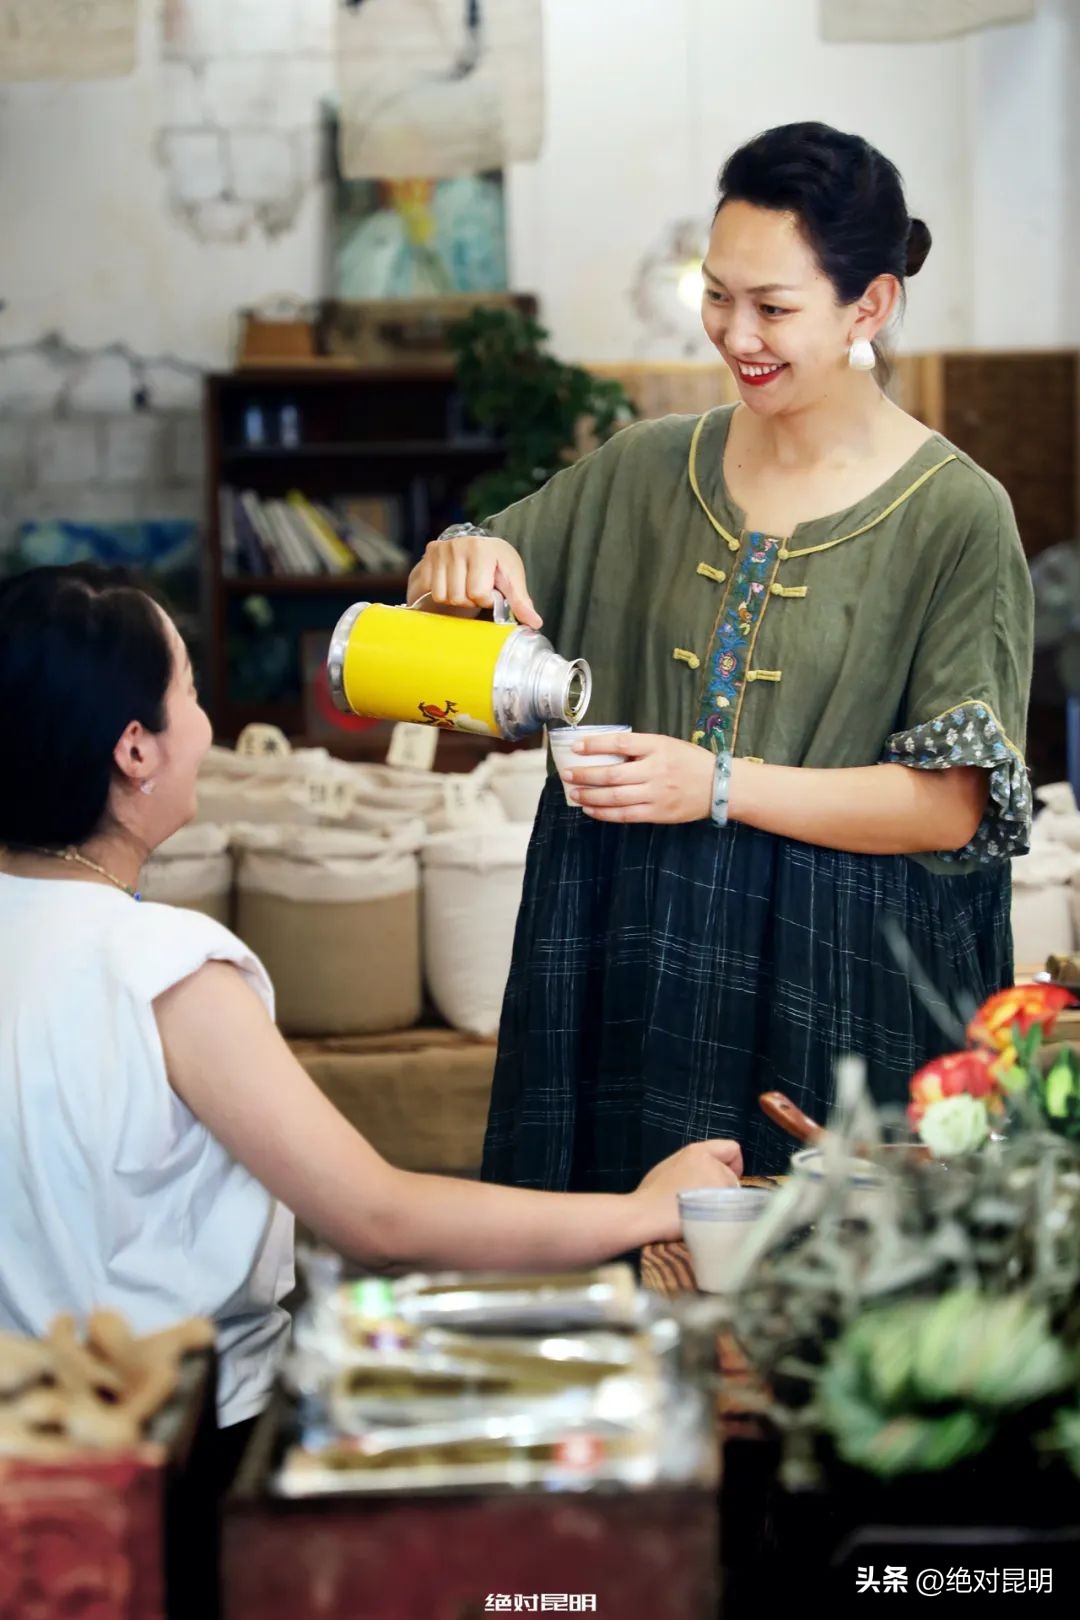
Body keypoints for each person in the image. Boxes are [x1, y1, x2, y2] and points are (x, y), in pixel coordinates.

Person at [408, 121, 1035, 1186]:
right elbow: (465, 607)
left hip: (841, 975)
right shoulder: (646, 469)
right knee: (617, 1288)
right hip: (629, 956)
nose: (735, 333)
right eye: (718, 294)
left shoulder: (957, 515)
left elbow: (952, 807)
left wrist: (720, 784)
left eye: (774, 308)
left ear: (870, 306)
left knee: (820, 1312)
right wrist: (455, 562)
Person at [0, 566, 742, 1438]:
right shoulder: (166, 969)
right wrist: (649, 1210)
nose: (205, 727)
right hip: (165, 1441)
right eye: (192, 694)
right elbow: (377, 1219)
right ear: (135, 750)